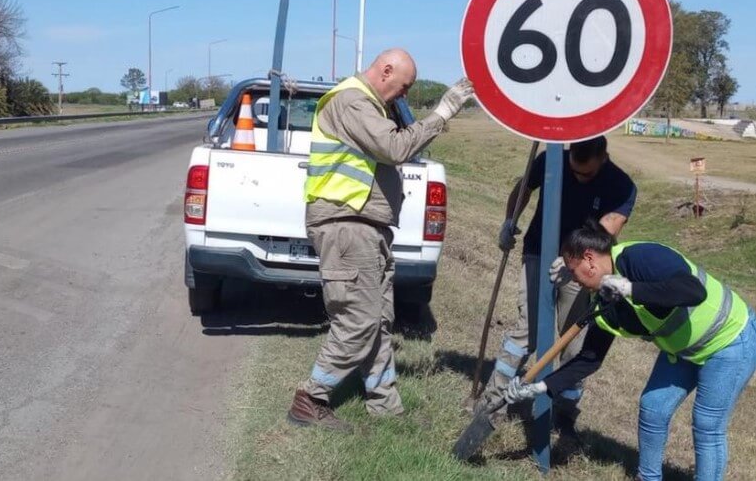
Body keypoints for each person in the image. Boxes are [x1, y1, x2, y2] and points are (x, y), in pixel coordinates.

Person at [287, 49, 474, 431]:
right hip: (347, 224)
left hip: (365, 227)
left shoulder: (368, 104)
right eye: (403, 87)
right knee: (359, 320)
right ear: (386, 70)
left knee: (379, 320)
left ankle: (385, 404)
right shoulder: (352, 101)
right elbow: (395, 148)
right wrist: (442, 112)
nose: (403, 95)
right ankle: (311, 397)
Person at [505, 220, 756, 481]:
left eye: (573, 271)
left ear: (589, 259)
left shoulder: (640, 257)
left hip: (730, 340)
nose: (574, 280)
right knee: (653, 408)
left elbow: (693, 291)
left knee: (707, 424)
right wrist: (541, 386)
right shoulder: (604, 302)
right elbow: (590, 359)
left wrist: (630, 288)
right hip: (685, 349)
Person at [478, 136, 637, 442]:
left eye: (587, 174)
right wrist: (509, 220)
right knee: (526, 331)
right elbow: (523, 188)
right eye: (575, 171)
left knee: (573, 343)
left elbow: (607, 231)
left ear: (603, 157)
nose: (579, 177)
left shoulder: (621, 185)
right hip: (538, 252)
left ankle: (564, 414)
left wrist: (571, 261)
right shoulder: (551, 161)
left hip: (582, 267)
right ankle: (492, 402)